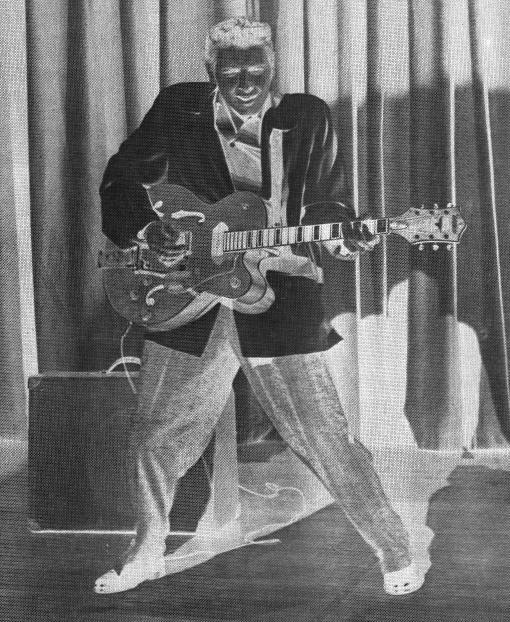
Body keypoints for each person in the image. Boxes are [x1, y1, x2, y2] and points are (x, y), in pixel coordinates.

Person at [95, 17, 424, 596]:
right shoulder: (178, 107)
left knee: (322, 435)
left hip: (275, 295)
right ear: (211, 71)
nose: (245, 82)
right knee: (154, 435)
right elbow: (121, 176)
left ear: (273, 67)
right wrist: (148, 229)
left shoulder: (305, 117)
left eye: (257, 69)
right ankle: (145, 553)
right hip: (188, 292)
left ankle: (395, 550)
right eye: (232, 72)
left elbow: (325, 201)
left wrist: (343, 233)